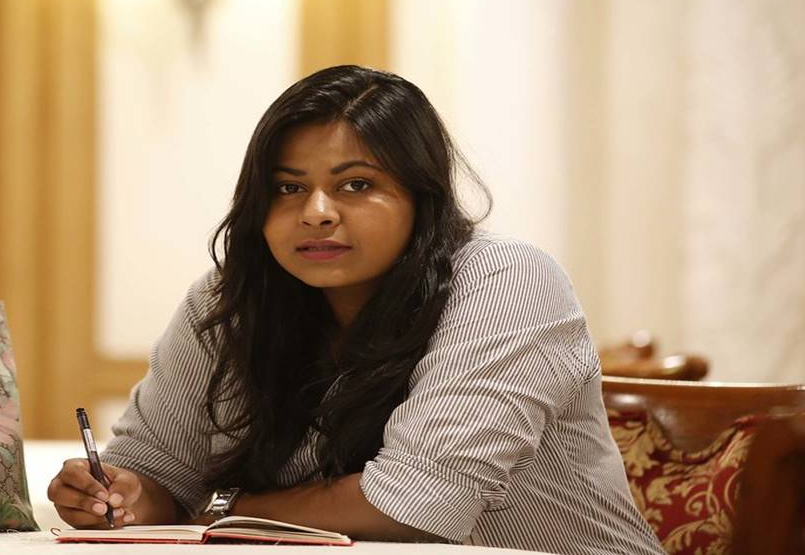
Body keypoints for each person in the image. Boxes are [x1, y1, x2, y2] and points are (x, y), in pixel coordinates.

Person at [48, 66, 663, 553]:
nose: (316, 212)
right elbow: (157, 476)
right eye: (288, 188)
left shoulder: (505, 281)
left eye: (356, 185)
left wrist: (223, 509)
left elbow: (413, 504)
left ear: (420, 197)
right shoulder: (229, 301)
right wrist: (120, 496)